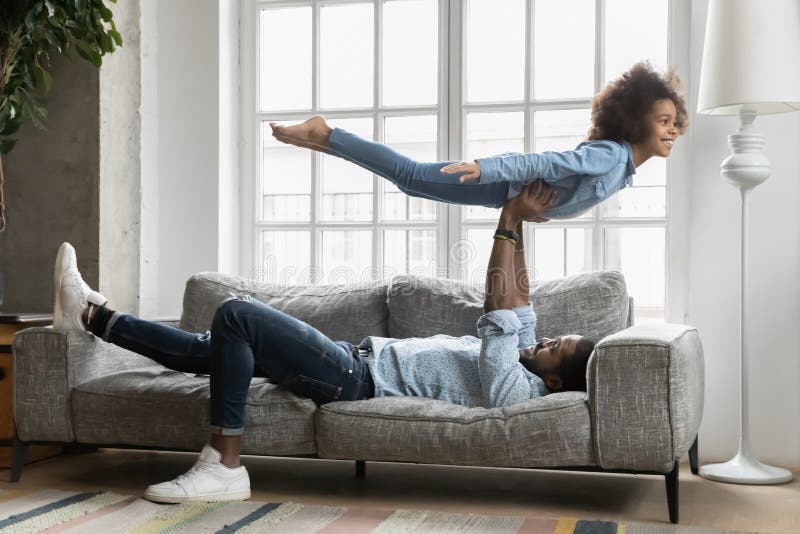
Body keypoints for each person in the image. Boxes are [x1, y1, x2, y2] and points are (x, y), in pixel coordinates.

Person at [51, 180, 595, 504]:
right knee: (208, 349)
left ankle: (225, 465)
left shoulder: (516, 389)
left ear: (552, 380)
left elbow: (499, 312)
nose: (546, 337)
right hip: (354, 358)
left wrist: (504, 220)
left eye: (557, 346)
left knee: (237, 314)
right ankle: (90, 316)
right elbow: (519, 304)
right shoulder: (528, 357)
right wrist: (522, 223)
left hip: (355, 379)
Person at [270, 61, 687, 220]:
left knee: (410, 182)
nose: (671, 131)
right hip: (498, 181)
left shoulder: (621, 170)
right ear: (635, 122)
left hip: (504, 195)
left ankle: (325, 141)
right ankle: (326, 134)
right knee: (411, 176)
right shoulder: (610, 158)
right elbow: (544, 162)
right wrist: (484, 167)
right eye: (663, 121)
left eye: (674, 123)